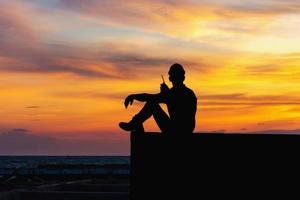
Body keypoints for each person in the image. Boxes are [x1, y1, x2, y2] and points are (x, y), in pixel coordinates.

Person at [119, 63, 197, 135]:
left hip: (176, 131)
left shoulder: (176, 94)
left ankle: (134, 124)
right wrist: (166, 94)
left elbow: (149, 98)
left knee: (151, 104)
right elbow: (151, 97)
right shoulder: (188, 93)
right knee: (152, 103)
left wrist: (133, 96)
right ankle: (135, 124)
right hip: (185, 129)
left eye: (172, 76)